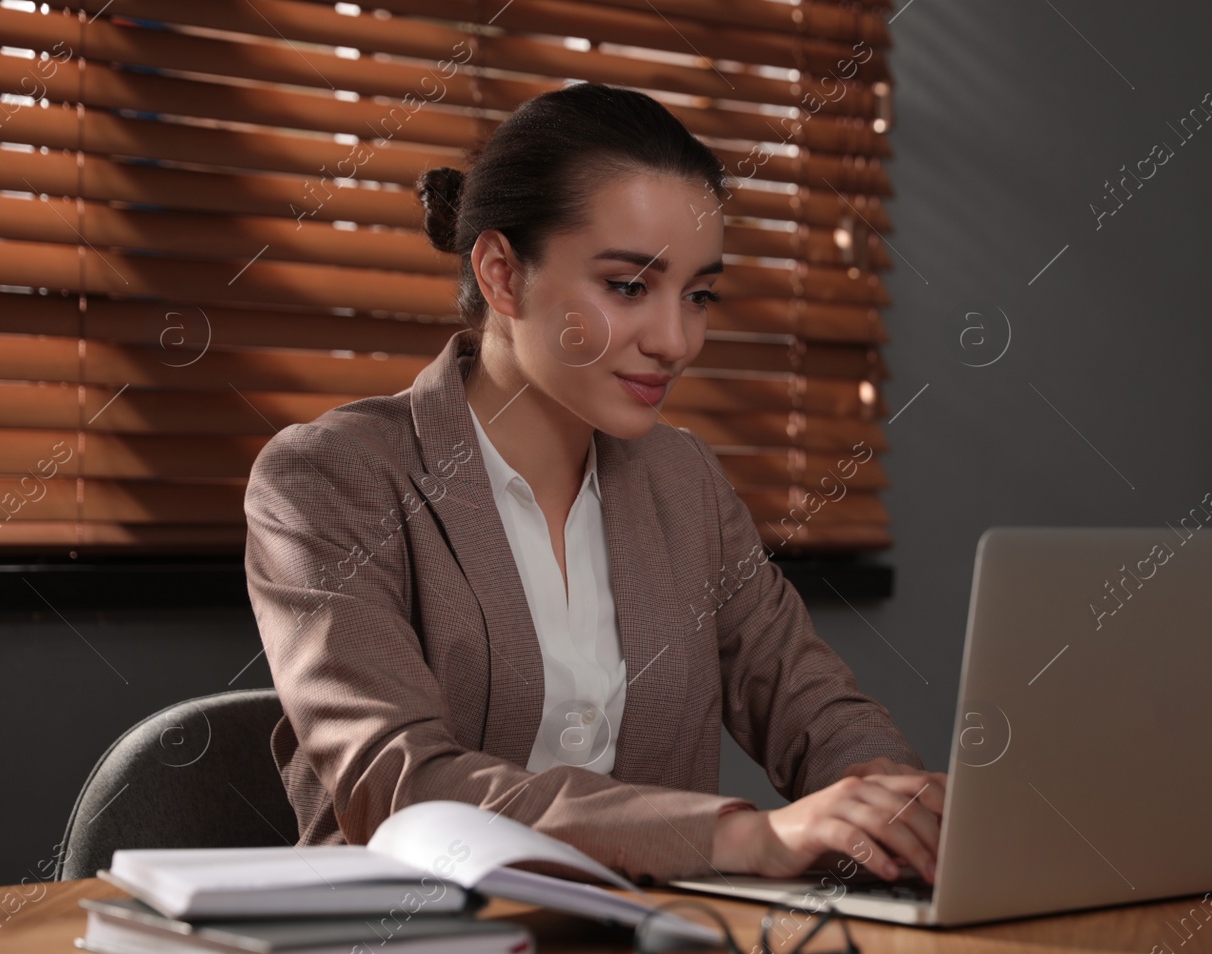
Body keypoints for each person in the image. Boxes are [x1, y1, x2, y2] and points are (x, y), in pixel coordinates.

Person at [243, 82, 944, 887]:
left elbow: (814, 707)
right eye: (628, 286)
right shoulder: (328, 479)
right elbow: (404, 787)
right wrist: (741, 838)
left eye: (699, 294)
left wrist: (900, 810)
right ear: (504, 276)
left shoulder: (685, 483)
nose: (676, 340)